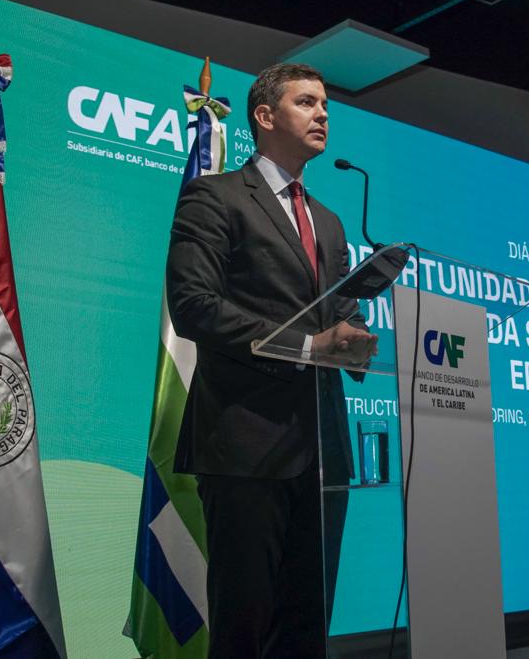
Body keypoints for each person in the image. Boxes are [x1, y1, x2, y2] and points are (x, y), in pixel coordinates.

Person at [166, 63, 376, 658]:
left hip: (323, 452)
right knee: (244, 629)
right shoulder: (216, 197)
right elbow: (194, 305)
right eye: (306, 102)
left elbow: (338, 312)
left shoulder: (329, 222)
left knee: (306, 630)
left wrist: (355, 339)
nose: (322, 114)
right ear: (264, 116)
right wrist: (309, 346)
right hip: (245, 445)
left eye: (326, 105)